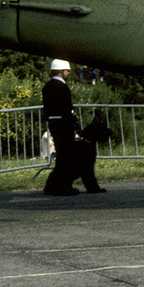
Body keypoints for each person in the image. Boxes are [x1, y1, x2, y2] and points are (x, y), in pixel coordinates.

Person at [41, 59, 105, 195]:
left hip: (54, 125)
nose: (68, 73)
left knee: (62, 158)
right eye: (66, 71)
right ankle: (62, 187)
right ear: (61, 72)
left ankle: (54, 186)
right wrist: (73, 126)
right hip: (64, 126)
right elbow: (66, 110)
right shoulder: (62, 87)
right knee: (65, 158)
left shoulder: (47, 87)